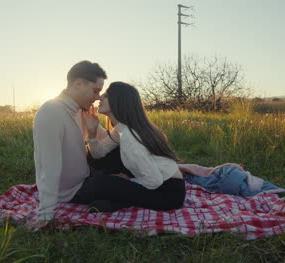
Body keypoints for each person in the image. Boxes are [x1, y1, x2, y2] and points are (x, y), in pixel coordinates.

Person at [72, 81, 186, 212]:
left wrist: (129, 180)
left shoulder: (130, 137)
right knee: (95, 163)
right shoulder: (122, 129)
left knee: (101, 184)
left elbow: (153, 181)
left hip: (166, 194)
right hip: (159, 184)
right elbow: (98, 154)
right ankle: (113, 200)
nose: (100, 97)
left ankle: (110, 201)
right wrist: (92, 133)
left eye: (107, 95)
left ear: (119, 102)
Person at [32, 60, 108, 228]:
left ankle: (168, 170)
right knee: (126, 187)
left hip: (87, 176)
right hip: (73, 191)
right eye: (95, 91)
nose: (97, 98)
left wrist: (95, 131)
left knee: (120, 159)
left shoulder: (78, 109)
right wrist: (45, 214)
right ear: (79, 84)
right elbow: (49, 166)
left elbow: (110, 140)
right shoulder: (51, 113)